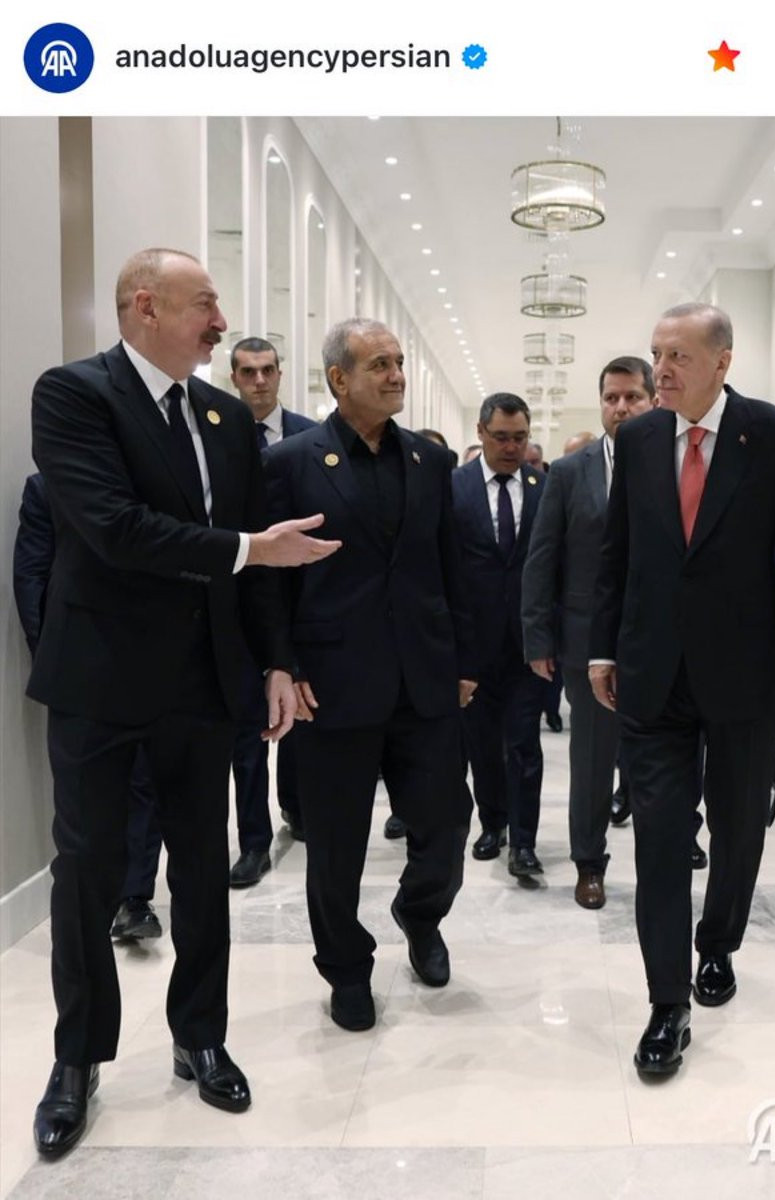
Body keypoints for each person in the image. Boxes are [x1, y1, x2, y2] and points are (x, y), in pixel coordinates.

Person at [27, 247, 340, 1159]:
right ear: (144, 306)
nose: (219, 323)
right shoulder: (74, 394)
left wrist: (275, 662)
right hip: (100, 681)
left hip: (204, 683)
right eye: (204, 304)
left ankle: (201, 1035)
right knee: (88, 872)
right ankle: (78, 1058)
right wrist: (247, 548)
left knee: (202, 869)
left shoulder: (223, 415)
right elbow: (115, 529)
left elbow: (260, 563)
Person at [589, 302, 775, 1078]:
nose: (660, 370)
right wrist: (601, 646)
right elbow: (617, 551)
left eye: (678, 357)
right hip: (653, 672)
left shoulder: (774, 435)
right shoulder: (638, 438)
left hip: (746, 672)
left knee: (738, 829)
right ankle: (667, 1004)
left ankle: (718, 943)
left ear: (722, 362)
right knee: (659, 838)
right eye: (656, 354)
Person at [263, 317, 477, 1033]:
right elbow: (269, 582)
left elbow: (450, 565)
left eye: (398, 362)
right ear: (339, 379)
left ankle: (420, 915)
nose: (395, 375)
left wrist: (464, 661)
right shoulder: (291, 462)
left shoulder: (428, 460)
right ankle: (346, 969)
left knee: (446, 823)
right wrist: (284, 665)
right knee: (335, 844)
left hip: (425, 679)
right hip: (331, 683)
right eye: (379, 364)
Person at [523, 357, 656, 907]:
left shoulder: (674, 461)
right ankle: (589, 862)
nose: (621, 408)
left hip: (659, 640)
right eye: (611, 398)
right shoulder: (569, 472)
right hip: (587, 641)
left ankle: (664, 857)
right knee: (594, 761)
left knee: (661, 759)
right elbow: (542, 557)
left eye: (632, 397)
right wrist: (538, 638)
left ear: (653, 400)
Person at [13, 474, 164, 939]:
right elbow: (31, 576)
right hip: (79, 673)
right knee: (84, 800)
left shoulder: (148, 484)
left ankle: (135, 899)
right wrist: (52, 659)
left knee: (144, 782)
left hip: (150, 662)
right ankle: (93, 900)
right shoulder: (45, 489)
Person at [227, 337, 316, 886]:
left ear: (280, 374)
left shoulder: (310, 436)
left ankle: (298, 808)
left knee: (302, 711)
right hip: (239, 593)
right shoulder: (217, 432)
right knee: (249, 729)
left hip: (300, 595)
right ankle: (253, 842)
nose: (258, 381)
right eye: (247, 371)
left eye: (266, 370)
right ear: (234, 377)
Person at [453, 393, 546, 876]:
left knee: (525, 743)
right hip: (473, 645)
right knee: (482, 744)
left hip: (528, 645)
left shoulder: (543, 486)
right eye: (502, 437)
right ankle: (493, 824)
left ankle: (524, 842)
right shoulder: (455, 487)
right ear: (481, 433)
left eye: (520, 438)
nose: (512, 448)